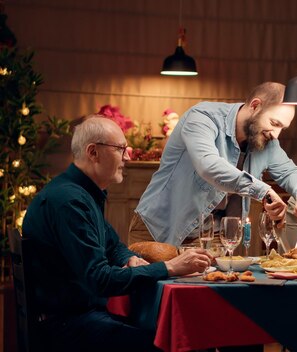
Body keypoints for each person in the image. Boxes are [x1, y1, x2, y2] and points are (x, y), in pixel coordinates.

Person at [22, 116, 211, 352]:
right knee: (183, 343)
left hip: (77, 318)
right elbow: (99, 280)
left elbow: (114, 245)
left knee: (181, 334)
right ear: (93, 152)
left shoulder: (80, 193)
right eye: (120, 149)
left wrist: (127, 258)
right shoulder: (69, 202)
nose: (128, 156)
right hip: (66, 328)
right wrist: (170, 267)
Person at [130, 82, 297, 246]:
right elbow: (209, 166)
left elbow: (289, 171)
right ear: (255, 106)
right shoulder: (203, 117)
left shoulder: (267, 140)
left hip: (211, 237)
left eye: (282, 128)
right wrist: (263, 190)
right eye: (274, 123)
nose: (276, 135)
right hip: (158, 230)